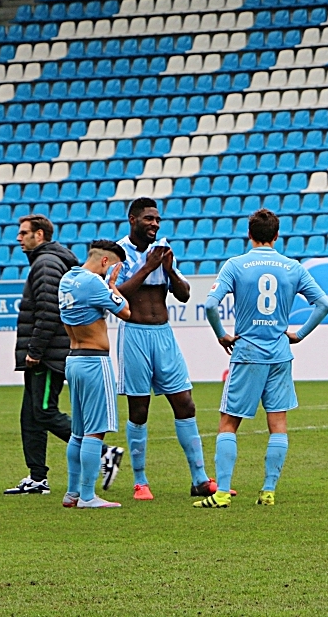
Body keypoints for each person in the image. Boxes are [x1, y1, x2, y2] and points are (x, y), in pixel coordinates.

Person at [196, 209, 328, 508]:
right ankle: (268, 491)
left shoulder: (236, 265)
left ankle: (222, 493)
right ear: (276, 235)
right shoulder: (292, 267)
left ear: (249, 234)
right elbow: (323, 304)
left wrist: (221, 335)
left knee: (229, 422)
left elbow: (209, 305)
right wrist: (300, 334)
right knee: (278, 423)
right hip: (280, 354)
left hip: (247, 353)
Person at [6, 215, 123, 496]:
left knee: (44, 411)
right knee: (30, 415)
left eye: (24, 233)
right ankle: (37, 477)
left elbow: (48, 310)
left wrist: (35, 351)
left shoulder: (46, 264)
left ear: (40, 235)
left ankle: (105, 452)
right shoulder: (48, 261)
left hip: (48, 354)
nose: (19, 238)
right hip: (50, 351)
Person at [113, 198, 217, 501]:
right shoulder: (120, 253)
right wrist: (148, 267)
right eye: (148, 219)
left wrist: (169, 271)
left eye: (157, 219)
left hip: (164, 335)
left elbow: (184, 295)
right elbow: (118, 295)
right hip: (134, 334)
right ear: (133, 220)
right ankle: (140, 481)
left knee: (185, 403)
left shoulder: (164, 250)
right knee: (139, 409)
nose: (154, 224)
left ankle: (199, 479)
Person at [58, 240, 132, 508]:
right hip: (94, 361)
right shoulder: (95, 283)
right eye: (114, 268)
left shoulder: (67, 279)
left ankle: (72, 492)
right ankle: (88, 496)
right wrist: (112, 286)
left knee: (78, 432)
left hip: (73, 360)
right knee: (95, 431)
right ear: (105, 262)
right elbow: (126, 311)